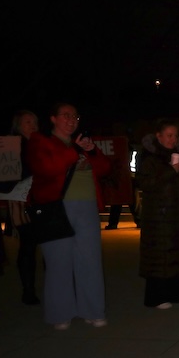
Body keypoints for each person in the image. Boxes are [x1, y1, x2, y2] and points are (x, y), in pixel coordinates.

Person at [26, 102, 111, 330]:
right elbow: (48, 168)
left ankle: (93, 311)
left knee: (90, 261)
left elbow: (104, 168)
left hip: (87, 207)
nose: (71, 119)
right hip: (56, 208)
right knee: (58, 263)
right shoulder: (40, 141)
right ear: (53, 118)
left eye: (75, 115)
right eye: (65, 115)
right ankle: (60, 314)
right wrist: (75, 150)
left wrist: (91, 151)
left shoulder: (81, 143)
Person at [136, 120, 179, 308]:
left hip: (178, 212)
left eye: (175, 135)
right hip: (158, 215)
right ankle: (157, 296)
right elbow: (145, 183)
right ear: (158, 136)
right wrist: (170, 171)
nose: (172, 139)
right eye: (168, 135)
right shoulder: (149, 157)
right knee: (159, 254)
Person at [11, 110, 40, 304]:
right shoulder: (14, 145)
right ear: (18, 125)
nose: (32, 125)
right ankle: (28, 289)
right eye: (27, 122)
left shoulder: (37, 144)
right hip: (22, 201)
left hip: (39, 199)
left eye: (35, 122)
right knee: (28, 245)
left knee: (35, 245)